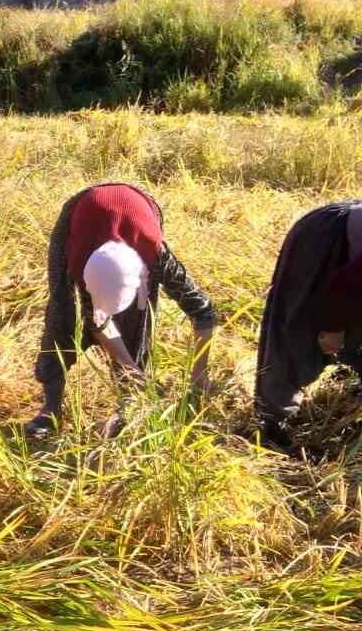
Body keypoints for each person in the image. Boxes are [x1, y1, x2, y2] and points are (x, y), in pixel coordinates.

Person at [26, 181, 216, 436]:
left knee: (136, 322)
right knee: (62, 316)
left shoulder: (155, 255)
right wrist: (126, 362)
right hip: (84, 218)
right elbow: (96, 318)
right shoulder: (78, 258)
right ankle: (50, 409)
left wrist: (199, 374)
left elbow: (203, 311)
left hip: (137, 213)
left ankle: (129, 400)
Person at [255, 199, 362, 452]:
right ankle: (272, 423)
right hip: (326, 240)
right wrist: (333, 329)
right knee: (296, 330)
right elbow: (346, 285)